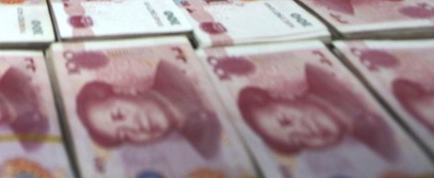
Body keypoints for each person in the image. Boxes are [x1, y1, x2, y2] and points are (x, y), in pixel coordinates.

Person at [237, 62, 398, 158]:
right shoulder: (378, 146)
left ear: (284, 96)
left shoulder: (321, 73)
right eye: (297, 141)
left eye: (286, 120)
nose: (305, 132)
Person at [74, 58, 222, 158]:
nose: (134, 128)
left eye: (119, 115)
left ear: (126, 90)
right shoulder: (205, 146)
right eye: (124, 135)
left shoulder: (170, 68)